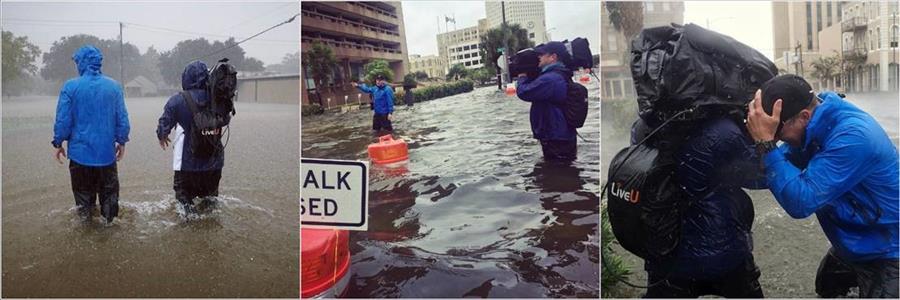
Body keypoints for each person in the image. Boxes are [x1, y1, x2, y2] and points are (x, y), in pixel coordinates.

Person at [747, 74, 899, 298]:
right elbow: (770, 174)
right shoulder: (813, 130)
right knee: (827, 288)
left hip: (889, 251)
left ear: (804, 116)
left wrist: (766, 144)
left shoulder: (853, 137)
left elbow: (801, 201)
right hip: (855, 244)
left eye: (777, 131)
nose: (777, 138)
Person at [632, 114, 766, 297]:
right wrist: (765, 141)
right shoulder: (725, 130)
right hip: (723, 252)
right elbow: (760, 177)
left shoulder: (645, 125)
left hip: (665, 251)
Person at [51, 45, 130, 224]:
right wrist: (122, 141)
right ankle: (110, 233)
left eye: (77, 61)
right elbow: (122, 118)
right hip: (107, 157)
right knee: (110, 205)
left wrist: (58, 143)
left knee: (84, 205)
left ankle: (86, 234)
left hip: (80, 157)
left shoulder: (71, 86)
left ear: (82, 62)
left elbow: (63, 120)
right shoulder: (114, 86)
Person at [157, 60, 232, 217]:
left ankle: (187, 235)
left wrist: (162, 135)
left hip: (187, 165)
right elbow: (225, 120)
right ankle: (210, 233)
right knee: (211, 204)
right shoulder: (218, 99)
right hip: (214, 164)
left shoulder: (177, 100)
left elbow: (164, 123)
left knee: (184, 205)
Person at [514, 41, 577, 161]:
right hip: (561, 133)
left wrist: (522, 76)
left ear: (553, 57)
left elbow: (524, 92)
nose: (539, 57)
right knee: (565, 171)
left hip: (555, 136)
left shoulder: (550, 79)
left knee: (557, 172)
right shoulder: (559, 74)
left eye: (542, 54)